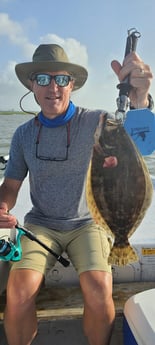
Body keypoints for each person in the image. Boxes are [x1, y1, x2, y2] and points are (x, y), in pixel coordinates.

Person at [0, 43, 153, 345]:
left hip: (89, 222)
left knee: (98, 287)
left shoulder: (97, 121)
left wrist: (140, 98)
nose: (52, 87)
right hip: (41, 224)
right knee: (18, 290)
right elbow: (11, 186)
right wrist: (2, 206)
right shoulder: (23, 135)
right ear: (32, 85)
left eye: (60, 79)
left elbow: (143, 145)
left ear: (72, 84)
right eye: (42, 78)